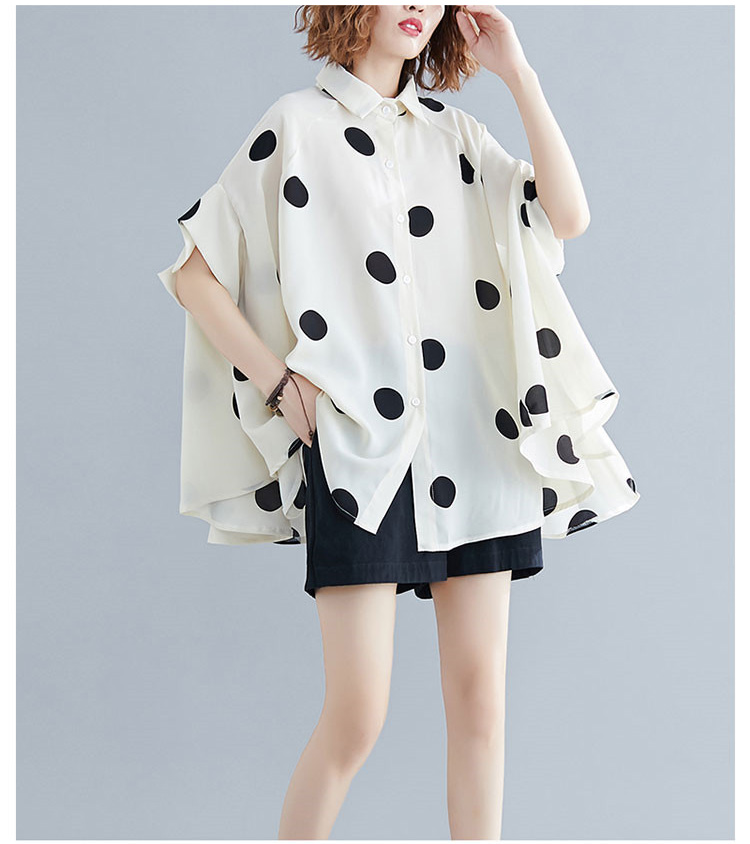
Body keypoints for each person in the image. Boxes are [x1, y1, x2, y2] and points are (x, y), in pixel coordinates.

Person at [157, 4, 640, 838]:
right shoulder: (297, 127)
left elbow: (567, 217)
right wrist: (281, 386)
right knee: (357, 715)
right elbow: (195, 274)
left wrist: (518, 75)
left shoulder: (456, 136)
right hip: (359, 449)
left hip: (480, 442)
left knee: (482, 707)